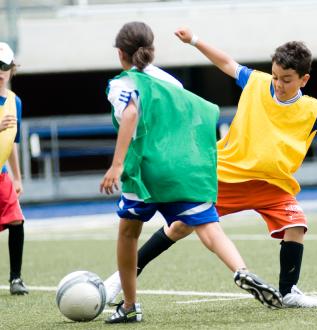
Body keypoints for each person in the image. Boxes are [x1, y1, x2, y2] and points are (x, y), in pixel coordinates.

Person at [105, 26, 317, 309]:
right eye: (275, 76)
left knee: (296, 224)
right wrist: (195, 41)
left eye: (286, 79)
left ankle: (288, 292)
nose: (278, 83)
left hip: (273, 184)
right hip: (227, 174)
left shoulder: (312, 110)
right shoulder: (257, 83)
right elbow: (226, 62)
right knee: (180, 226)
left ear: (303, 79)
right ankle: (119, 280)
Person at [100, 22, 282, 324]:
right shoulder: (169, 80)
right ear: (151, 50)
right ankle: (243, 271)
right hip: (184, 167)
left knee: (128, 233)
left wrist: (117, 165)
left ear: (120, 53)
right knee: (209, 227)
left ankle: (129, 305)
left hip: (146, 171)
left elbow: (130, 113)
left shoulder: (122, 83)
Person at [0, 42, 28, 295]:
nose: (0, 71)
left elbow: (13, 143)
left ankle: (15, 279)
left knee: (17, 221)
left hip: (2, 175)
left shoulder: (14, 102)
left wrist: (17, 177)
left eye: (4, 66)